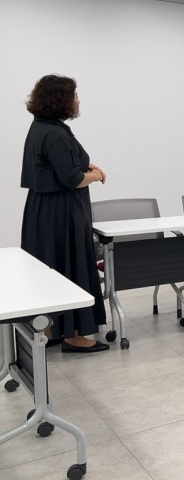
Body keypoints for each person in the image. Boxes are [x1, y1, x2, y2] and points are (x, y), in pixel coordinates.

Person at [20, 74, 109, 353]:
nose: (78, 100)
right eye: (75, 95)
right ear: (61, 100)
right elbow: (72, 179)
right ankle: (75, 336)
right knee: (71, 267)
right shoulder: (56, 133)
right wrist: (95, 175)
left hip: (44, 211)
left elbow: (59, 166)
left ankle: (52, 330)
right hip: (62, 213)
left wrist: (85, 165)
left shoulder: (41, 127)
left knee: (53, 267)